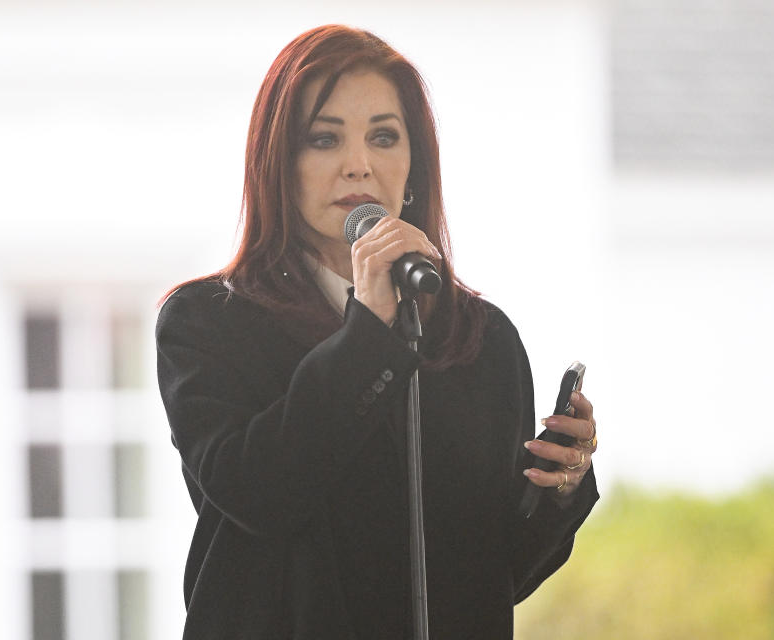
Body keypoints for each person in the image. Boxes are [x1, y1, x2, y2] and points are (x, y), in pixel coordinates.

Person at [156, 24, 599, 639]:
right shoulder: (208, 322)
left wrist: (561, 489)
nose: (358, 165)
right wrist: (370, 330)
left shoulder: (480, 339)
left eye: (384, 137)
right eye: (323, 139)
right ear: (279, 165)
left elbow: (496, 576)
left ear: (414, 166)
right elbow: (260, 494)